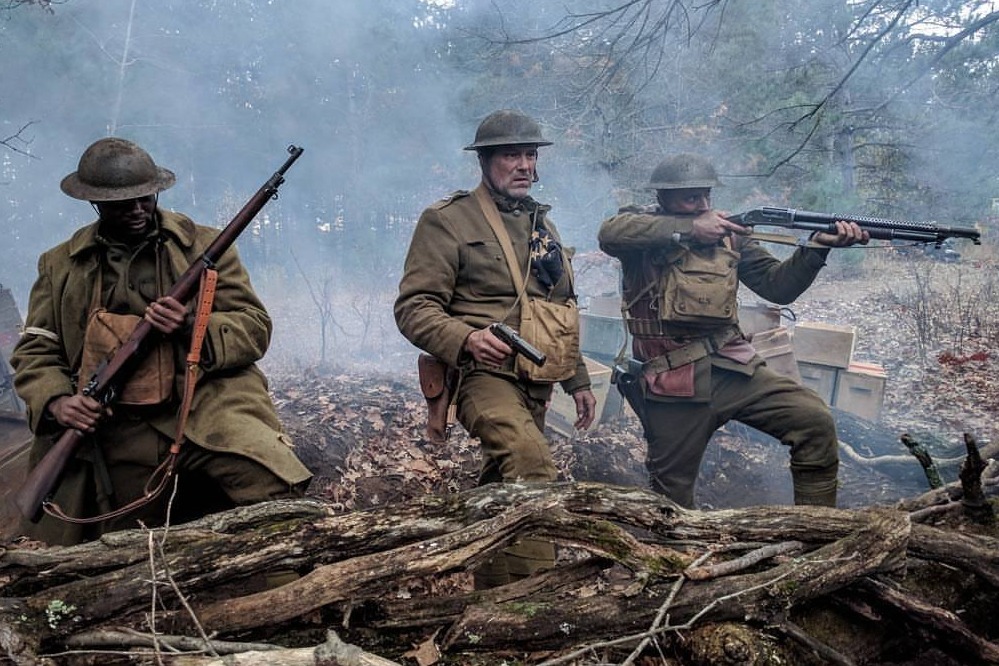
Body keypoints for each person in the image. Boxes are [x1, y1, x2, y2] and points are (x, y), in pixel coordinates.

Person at [11, 137, 312, 546]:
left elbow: (254, 327)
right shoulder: (60, 265)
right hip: (115, 423)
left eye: (145, 199)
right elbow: (36, 350)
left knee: (276, 493)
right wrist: (58, 402)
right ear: (96, 204)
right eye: (122, 204)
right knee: (121, 542)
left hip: (207, 404)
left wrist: (192, 326)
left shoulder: (204, 247)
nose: (137, 211)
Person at [395, 110, 597, 588]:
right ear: (485, 161)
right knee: (530, 464)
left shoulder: (542, 227)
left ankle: (495, 597)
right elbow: (414, 306)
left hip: (537, 379)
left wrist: (579, 378)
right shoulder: (448, 220)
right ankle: (535, 600)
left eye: (530, 154)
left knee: (504, 484)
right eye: (512, 155)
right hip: (480, 376)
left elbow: (557, 311)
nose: (525, 164)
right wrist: (464, 338)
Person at [598, 153, 869, 509]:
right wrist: (689, 229)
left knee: (814, 421)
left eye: (706, 195)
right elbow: (610, 233)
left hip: (733, 368)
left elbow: (778, 287)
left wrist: (816, 250)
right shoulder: (643, 230)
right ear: (663, 197)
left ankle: (817, 530)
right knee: (671, 497)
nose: (704, 205)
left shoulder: (730, 237)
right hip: (672, 381)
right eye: (691, 198)